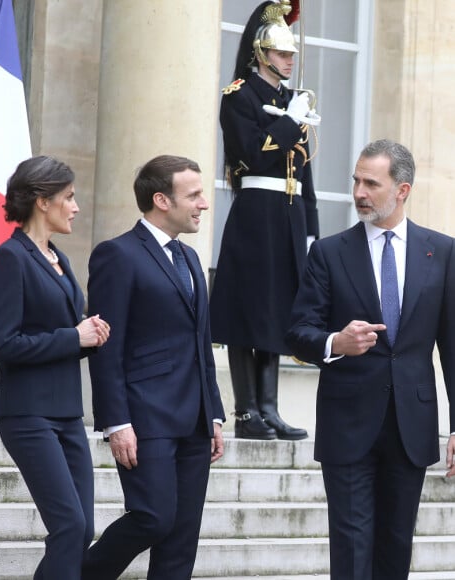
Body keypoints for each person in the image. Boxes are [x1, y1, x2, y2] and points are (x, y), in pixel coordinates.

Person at [285, 139, 455, 579]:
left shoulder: (443, 252)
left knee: (396, 549)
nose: (359, 192)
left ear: (402, 190)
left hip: (411, 427)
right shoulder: (328, 252)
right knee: (352, 547)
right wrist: (335, 343)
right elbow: (298, 333)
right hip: (348, 424)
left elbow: (453, 348)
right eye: (356, 181)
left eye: (371, 183)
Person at [82, 155, 225, 580]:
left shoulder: (191, 260)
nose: (203, 203)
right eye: (194, 194)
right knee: (154, 518)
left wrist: (214, 413)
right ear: (161, 200)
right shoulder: (117, 255)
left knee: (182, 539)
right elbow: (108, 347)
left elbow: (201, 343)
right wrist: (116, 421)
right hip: (146, 418)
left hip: (195, 419)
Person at [0, 156, 110, 580]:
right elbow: (5, 343)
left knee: (83, 528)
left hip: (67, 413)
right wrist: (74, 337)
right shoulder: (10, 258)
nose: (75, 207)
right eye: (69, 197)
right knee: (70, 525)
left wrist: (90, 335)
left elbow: (62, 335)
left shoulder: (59, 257)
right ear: (42, 201)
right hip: (28, 413)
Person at [209, 0, 320, 441]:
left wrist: (311, 228)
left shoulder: (292, 100)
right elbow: (251, 155)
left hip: (289, 214)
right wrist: (289, 125)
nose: (289, 60)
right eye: (282, 54)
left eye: (292, 54)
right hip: (256, 211)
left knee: (279, 309)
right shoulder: (239, 96)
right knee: (248, 308)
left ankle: (270, 408)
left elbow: (304, 171)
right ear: (262, 54)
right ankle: (246, 411)